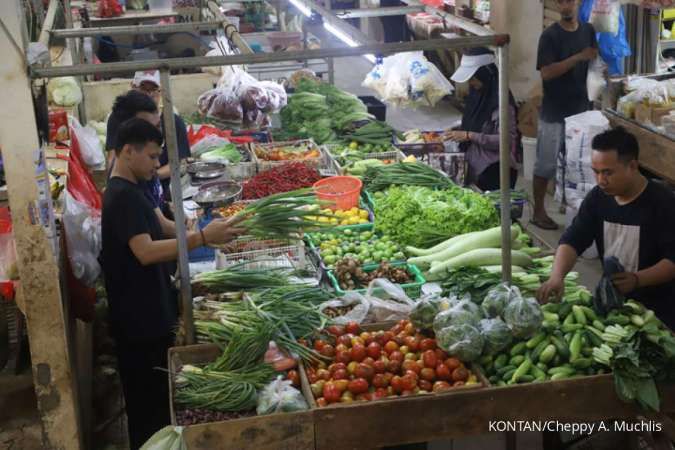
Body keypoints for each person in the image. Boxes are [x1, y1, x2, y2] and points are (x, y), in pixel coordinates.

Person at [102, 118, 244, 449]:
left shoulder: (134, 188)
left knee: (159, 398)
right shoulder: (121, 197)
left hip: (151, 310)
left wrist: (196, 227)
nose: (158, 164)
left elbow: (162, 226)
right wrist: (202, 238)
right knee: (148, 403)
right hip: (138, 321)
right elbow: (145, 251)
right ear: (127, 152)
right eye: (152, 157)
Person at [537, 127, 675, 330]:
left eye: (608, 172)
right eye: (596, 171)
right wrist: (557, 277)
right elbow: (573, 240)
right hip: (612, 302)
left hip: (659, 311)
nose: (601, 180)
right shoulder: (598, 199)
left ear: (633, 166)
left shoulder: (663, 203)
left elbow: (672, 260)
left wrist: (637, 279)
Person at [532, 0, 598, 230]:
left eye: (569, 0)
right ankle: (538, 212)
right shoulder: (550, 36)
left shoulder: (589, 30)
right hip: (554, 111)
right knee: (546, 164)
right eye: (560, 2)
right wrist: (578, 57)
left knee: (575, 165)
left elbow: (594, 60)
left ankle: (570, 209)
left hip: (580, 109)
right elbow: (547, 73)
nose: (565, 6)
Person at [105, 70, 191, 204]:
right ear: (133, 87)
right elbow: (112, 157)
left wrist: (153, 174)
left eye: (154, 90)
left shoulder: (173, 122)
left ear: (160, 92)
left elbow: (179, 163)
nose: (149, 95)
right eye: (144, 89)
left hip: (163, 189)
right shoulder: (119, 119)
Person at [445, 48, 520, 191]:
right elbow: (476, 123)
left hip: (495, 171)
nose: (470, 83)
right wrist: (459, 131)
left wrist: (469, 135)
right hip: (476, 169)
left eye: (473, 78)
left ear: (485, 75)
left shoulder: (502, 105)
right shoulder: (478, 96)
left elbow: (506, 141)